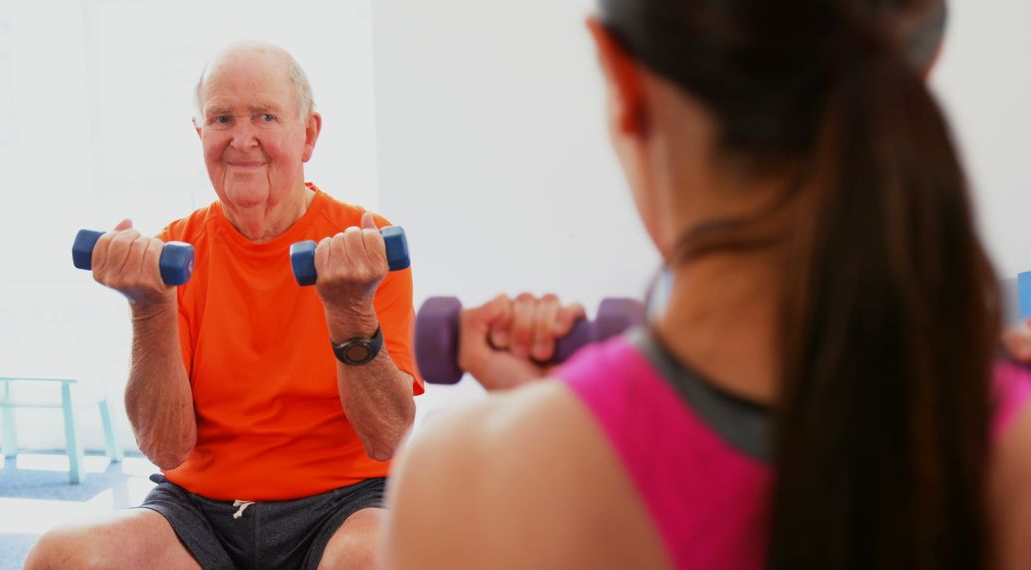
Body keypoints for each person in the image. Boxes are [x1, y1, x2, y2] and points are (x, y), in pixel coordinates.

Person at [384, 1, 1031, 569]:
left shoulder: (463, 492)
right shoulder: (1017, 453)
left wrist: (546, 438)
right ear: (922, 64)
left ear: (622, 78)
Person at [26, 42, 421, 569]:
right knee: (63, 556)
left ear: (308, 134)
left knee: (379, 558)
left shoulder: (363, 250)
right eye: (221, 118)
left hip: (345, 503)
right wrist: (150, 307)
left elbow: (388, 439)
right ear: (200, 135)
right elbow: (166, 449)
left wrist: (351, 311)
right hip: (197, 513)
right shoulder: (175, 253)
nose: (242, 139)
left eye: (265, 115)